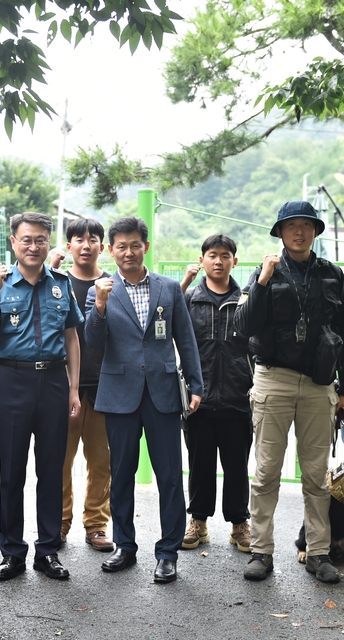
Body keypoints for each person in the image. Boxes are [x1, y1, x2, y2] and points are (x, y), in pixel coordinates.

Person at [235, 201, 344, 584]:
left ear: (315, 232)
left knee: (317, 476)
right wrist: (263, 281)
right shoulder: (265, 271)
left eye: (306, 225)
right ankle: (261, 551)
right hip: (274, 379)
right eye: (291, 226)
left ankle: (318, 552)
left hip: (320, 384)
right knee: (267, 471)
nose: (299, 232)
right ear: (281, 232)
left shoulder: (332, 274)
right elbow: (243, 326)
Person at [85, 216, 203, 584]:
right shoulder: (99, 289)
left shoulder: (168, 288)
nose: (129, 252)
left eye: (135, 245)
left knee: (169, 476)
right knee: (121, 474)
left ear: (145, 247)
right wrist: (100, 306)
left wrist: (196, 385)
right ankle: (125, 546)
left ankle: (168, 553)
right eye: (121, 246)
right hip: (119, 394)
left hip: (163, 391)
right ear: (111, 250)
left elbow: (186, 339)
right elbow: (92, 341)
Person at [0, 211, 82, 582]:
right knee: (12, 470)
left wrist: (73, 388)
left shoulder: (61, 283)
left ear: (48, 243)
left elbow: (71, 337)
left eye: (40, 239)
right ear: (14, 243)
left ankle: (48, 551)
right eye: (26, 239)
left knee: (51, 470)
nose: (34, 246)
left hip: (54, 381)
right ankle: (12, 552)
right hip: (13, 381)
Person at [179, 234, 253, 553]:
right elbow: (165, 322)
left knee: (237, 465)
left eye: (225, 255)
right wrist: (182, 284)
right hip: (198, 399)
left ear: (234, 261)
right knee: (200, 463)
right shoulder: (190, 299)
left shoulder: (246, 301)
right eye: (212, 255)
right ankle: (198, 522)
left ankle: (239, 525)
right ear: (202, 260)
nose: (218, 261)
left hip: (238, 397)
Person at [50, 218, 114, 552]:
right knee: (60, 459)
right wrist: (50, 267)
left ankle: (97, 525)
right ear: (69, 245)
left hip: (104, 387)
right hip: (62, 388)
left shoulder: (112, 284)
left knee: (101, 461)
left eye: (93, 239)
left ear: (103, 247)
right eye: (79, 239)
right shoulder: (57, 282)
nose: (86, 245)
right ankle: (59, 524)